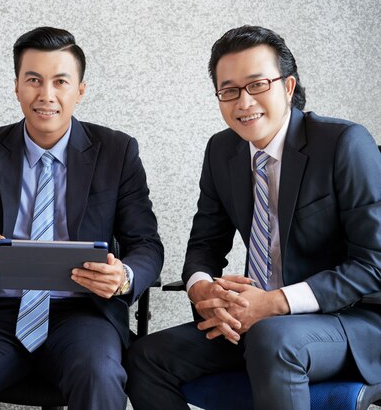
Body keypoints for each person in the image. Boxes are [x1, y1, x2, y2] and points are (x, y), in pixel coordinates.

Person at [0, 26, 163, 410]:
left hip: (82, 314)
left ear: (80, 90)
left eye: (60, 82)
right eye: (33, 80)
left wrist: (124, 277)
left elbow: (146, 245)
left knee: (100, 378)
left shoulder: (117, 152)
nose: (46, 95)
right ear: (17, 86)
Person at [126, 25, 381, 410]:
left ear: (288, 87)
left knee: (272, 341)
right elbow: (205, 245)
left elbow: (374, 264)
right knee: (145, 356)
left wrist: (276, 302)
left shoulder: (345, 143)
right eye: (229, 90)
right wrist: (201, 289)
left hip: (351, 321)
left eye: (257, 85)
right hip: (257, 321)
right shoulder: (222, 151)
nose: (243, 102)